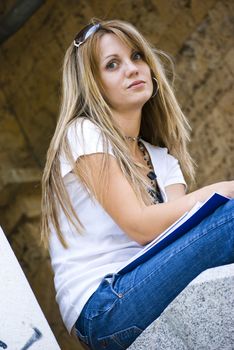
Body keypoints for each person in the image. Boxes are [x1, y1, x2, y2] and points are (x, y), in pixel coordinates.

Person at [41, 19, 234, 350]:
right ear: (94, 84)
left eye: (136, 57)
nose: (132, 69)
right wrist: (224, 189)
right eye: (112, 65)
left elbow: (181, 233)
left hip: (146, 281)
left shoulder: (163, 159)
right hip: (104, 306)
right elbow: (140, 226)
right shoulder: (83, 134)